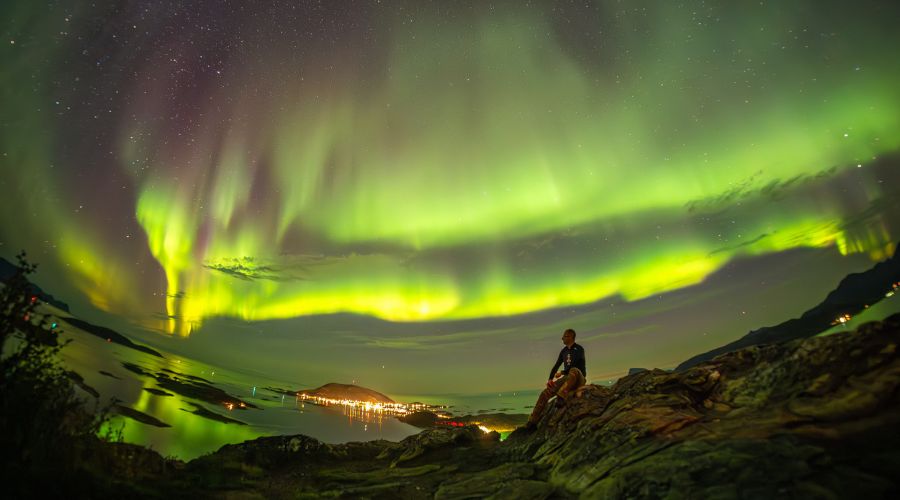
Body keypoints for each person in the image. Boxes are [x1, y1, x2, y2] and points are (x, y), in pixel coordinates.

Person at [525, 328, 586, 428]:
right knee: (545, 393)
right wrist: (550, 379)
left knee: (573, 370)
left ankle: (561, 396)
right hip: (567, 379)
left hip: (579, 378)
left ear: (571, 337)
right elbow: (556, 365)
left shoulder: (579, 349)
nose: (562, 338)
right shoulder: (564, 351)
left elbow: (575, 364)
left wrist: (562, 372)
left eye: (565, 336)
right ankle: (533, 421)